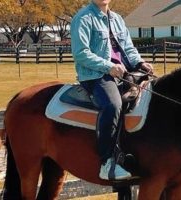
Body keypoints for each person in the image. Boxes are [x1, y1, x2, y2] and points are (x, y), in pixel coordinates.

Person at [70, 0, 153, 181]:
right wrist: (108, 67)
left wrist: (139, 63)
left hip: (122, 71)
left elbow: (128, 48)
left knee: (154, 96)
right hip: (95, 75)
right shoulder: (83, 18)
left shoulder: (117, 19)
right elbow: (80, 53)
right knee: (113, 104)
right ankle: (107, 162)